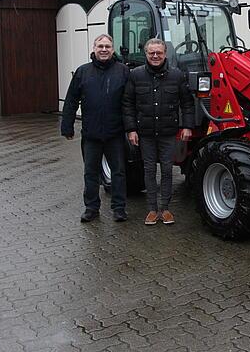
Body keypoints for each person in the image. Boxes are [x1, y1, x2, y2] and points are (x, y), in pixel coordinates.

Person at [122, 38, 194, 225]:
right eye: (151, 53)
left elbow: (187, 103)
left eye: (159, 53)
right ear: (146, 54)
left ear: (165, 54)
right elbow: (128, 104)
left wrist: (187, 126)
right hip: (145, 133)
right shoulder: (136, 75)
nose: (155, 56)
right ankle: (152, 210)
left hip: (168, 132)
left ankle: (166, 209)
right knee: (149, 170)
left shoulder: (177, 75)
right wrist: (131, 129)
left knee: (168, 170)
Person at [61, 34, 130, 222]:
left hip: (115, 133)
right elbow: (71, 100)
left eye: (107, 46)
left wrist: (132, 128)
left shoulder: (123, 72)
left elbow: (130, 102)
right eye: (100, 46)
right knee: (90, 173)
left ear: (113, 49)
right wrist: (67, 127)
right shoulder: (82, 72)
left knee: (118, 172)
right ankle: (91, 208)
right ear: (94, 48)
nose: (104, 50)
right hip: (91, 134)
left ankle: (119, 208)